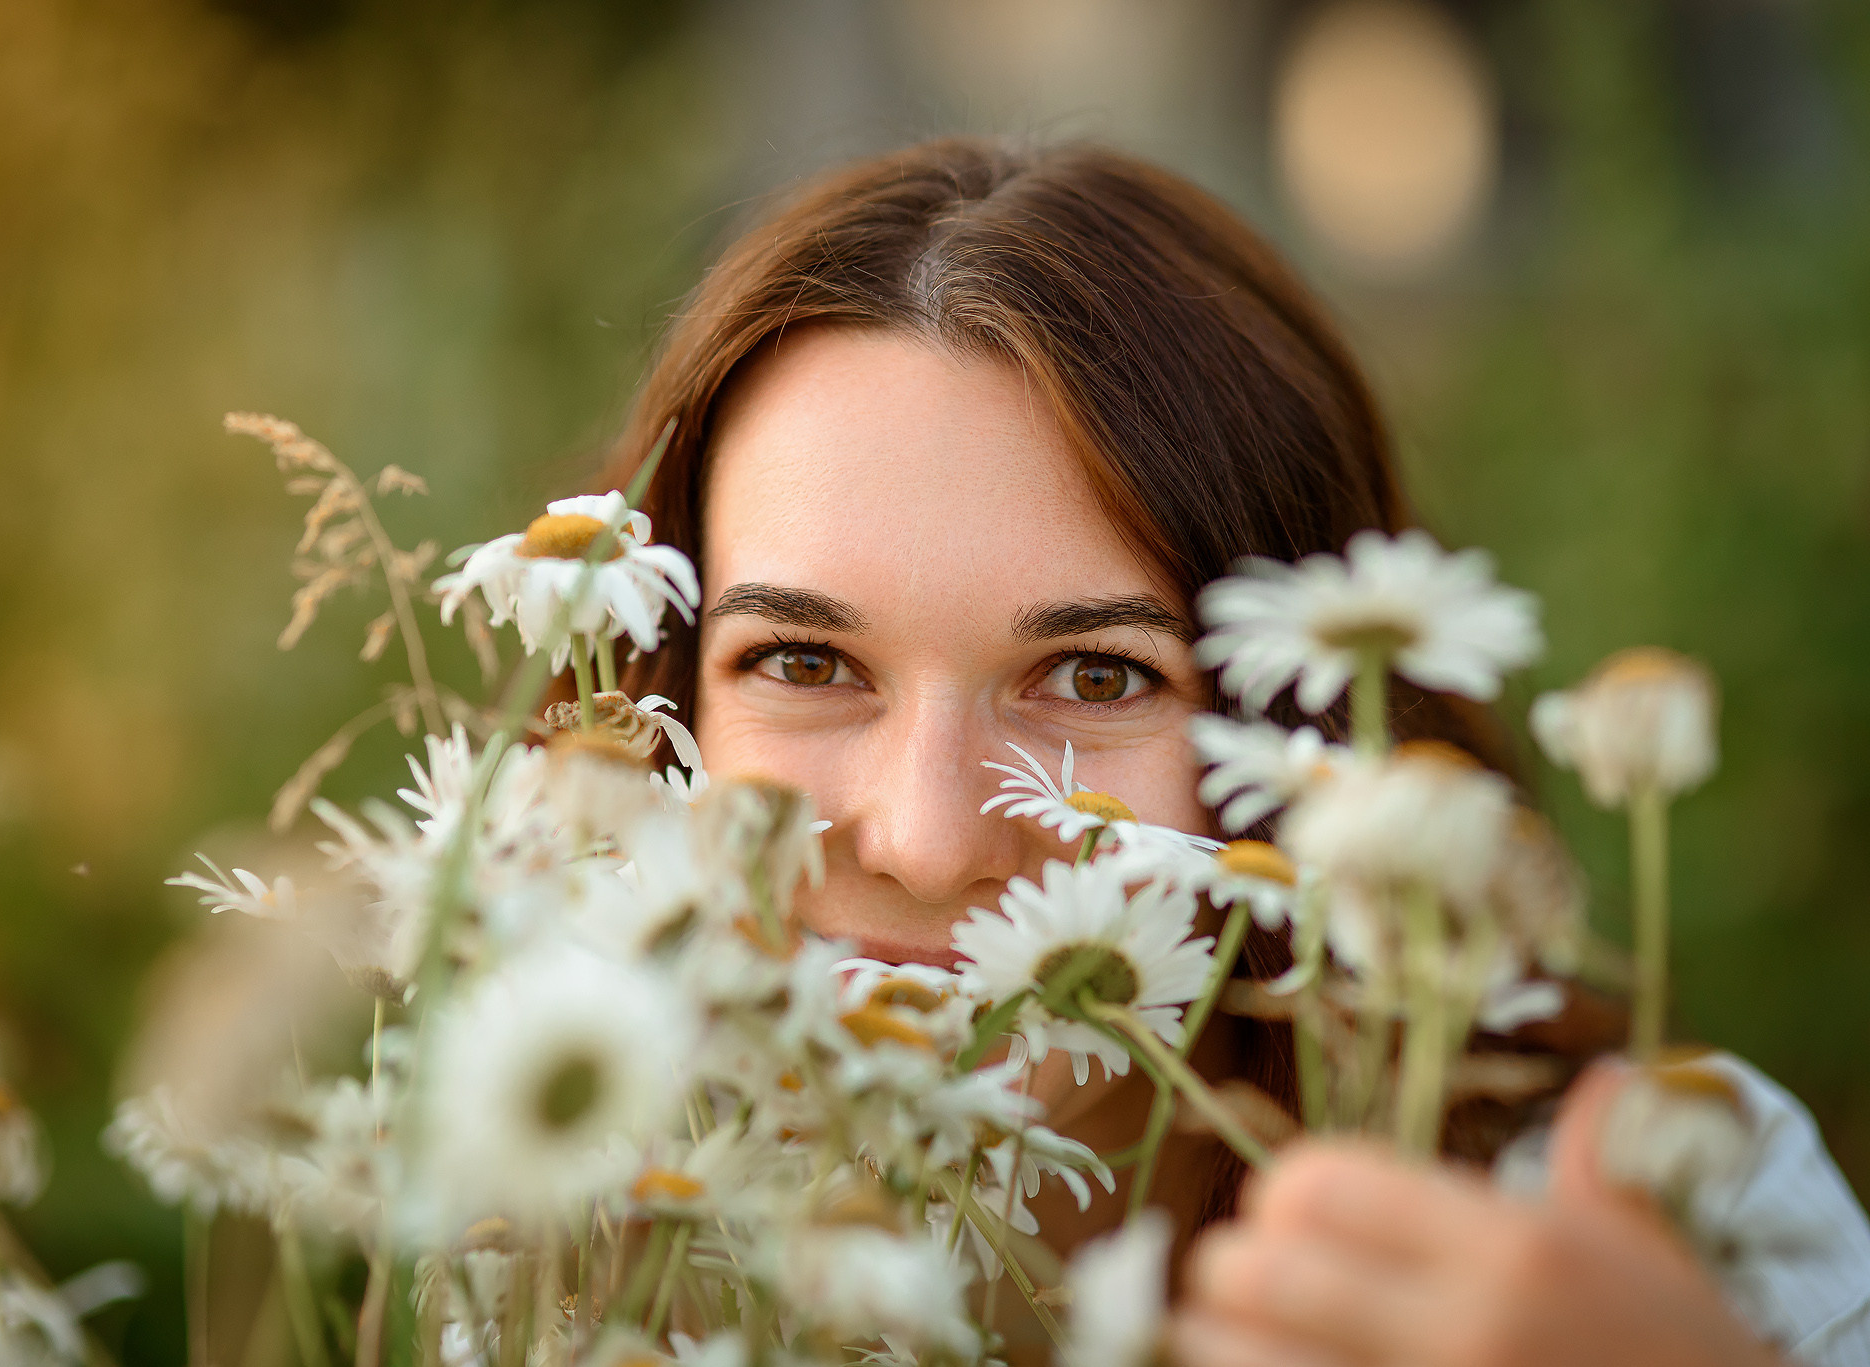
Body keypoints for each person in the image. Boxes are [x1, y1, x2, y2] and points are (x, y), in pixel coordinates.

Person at [589, 137, 1870, 1366]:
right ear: (660, 701)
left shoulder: (1662, 1218)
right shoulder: (528, 1250)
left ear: (1304, 733)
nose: (925, 843)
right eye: (804, 664)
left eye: (1096, 677)